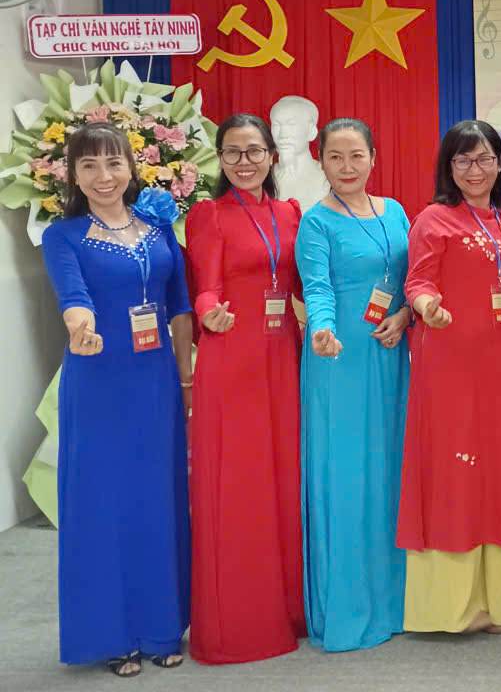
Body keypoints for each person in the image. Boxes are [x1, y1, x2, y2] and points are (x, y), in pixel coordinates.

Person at [39, 123, 193, 677]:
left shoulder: (158, 227)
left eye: (113, 163)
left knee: (158, 500)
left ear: (132, 166)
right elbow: (73, 294)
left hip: (155, 383)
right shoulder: (63, 236)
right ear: (73, 175)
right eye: (89, 166)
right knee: (103, 504)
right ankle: (113, 634)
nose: (103, 176)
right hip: (99, 382)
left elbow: (179, 305)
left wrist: (186, 380)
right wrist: (80, 326)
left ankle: (161, 627)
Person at [185, 113, 306, 664]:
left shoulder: (290, 213)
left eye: (254, 151)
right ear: (220, 159)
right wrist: (209, 314)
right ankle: (238, 622)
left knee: (282, 480)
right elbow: (205, 286)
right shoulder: (210, 215)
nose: (244, 162)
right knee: (241, 486)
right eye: (232, 152)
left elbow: (305, 281)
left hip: (282, 355)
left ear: (272, 156)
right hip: (233, 356)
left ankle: (288, 608)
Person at [399, 120, 501, 636]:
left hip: (498, 366)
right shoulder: (433, 219)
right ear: (448, 167)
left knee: (495, 472)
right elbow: (418, 280)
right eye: (463, 160)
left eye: (485, 158)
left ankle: (496, 604)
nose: (475, 170)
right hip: (447, 364)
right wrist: (427, 306)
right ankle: (450, 609)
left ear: (499, 163)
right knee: (453, 472)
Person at [296, 117, 413, 652]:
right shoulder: (316, 222)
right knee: (348, 476)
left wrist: (405, 315)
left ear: (373, 158)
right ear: (321, 161)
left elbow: (411, 279)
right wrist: (322, 329)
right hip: (338, 356)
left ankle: (397, 601)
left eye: (356, 156)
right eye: (335, 157)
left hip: (390, 354)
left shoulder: (395, 212)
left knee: (389, 472)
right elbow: (317, 287)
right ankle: (348, 607)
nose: (346, 167)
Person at [270, 95, 329, 210]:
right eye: (276, 125)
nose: (282, 135)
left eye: (291, 124)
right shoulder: (263, 178)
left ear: (312, 131)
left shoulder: (329, 177)